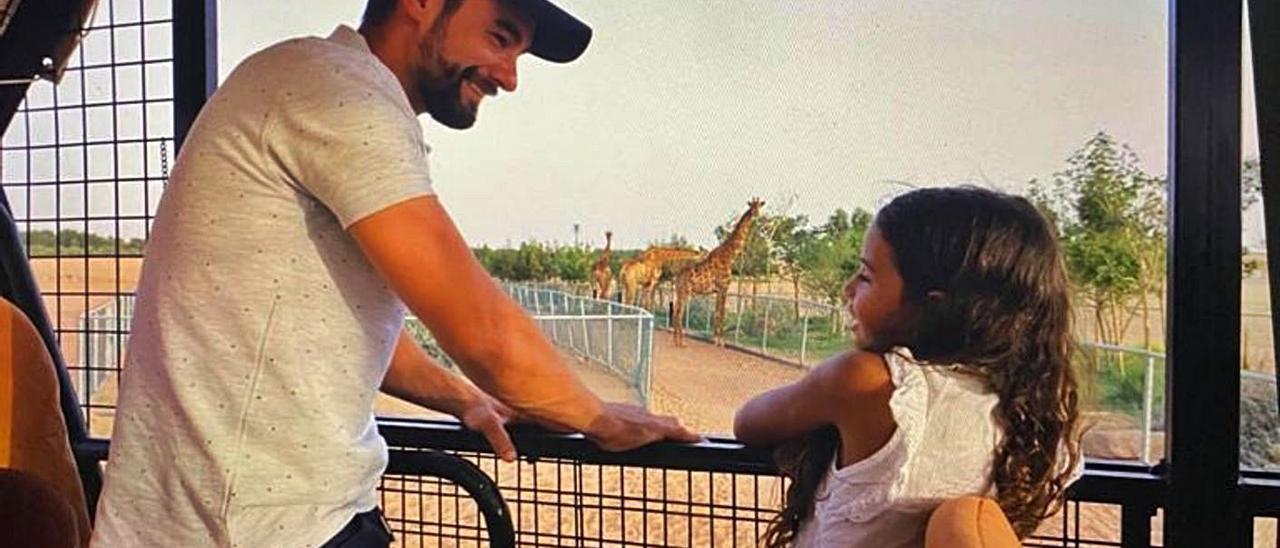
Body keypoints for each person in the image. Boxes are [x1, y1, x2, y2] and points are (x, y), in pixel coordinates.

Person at [91, 1, 699, 546]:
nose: (510, 77)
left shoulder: (309, 83)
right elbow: (481, 327)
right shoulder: (339, 90)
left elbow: (344, 323)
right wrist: (598, 416)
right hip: (261, 524)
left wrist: (466, 398)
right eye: (500, 35)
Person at [734, 187, 1082, 547]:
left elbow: (748, 422)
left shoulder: (868, 382)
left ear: (931, 306)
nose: (847, 289)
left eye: (866, 277)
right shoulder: (1035, 415)